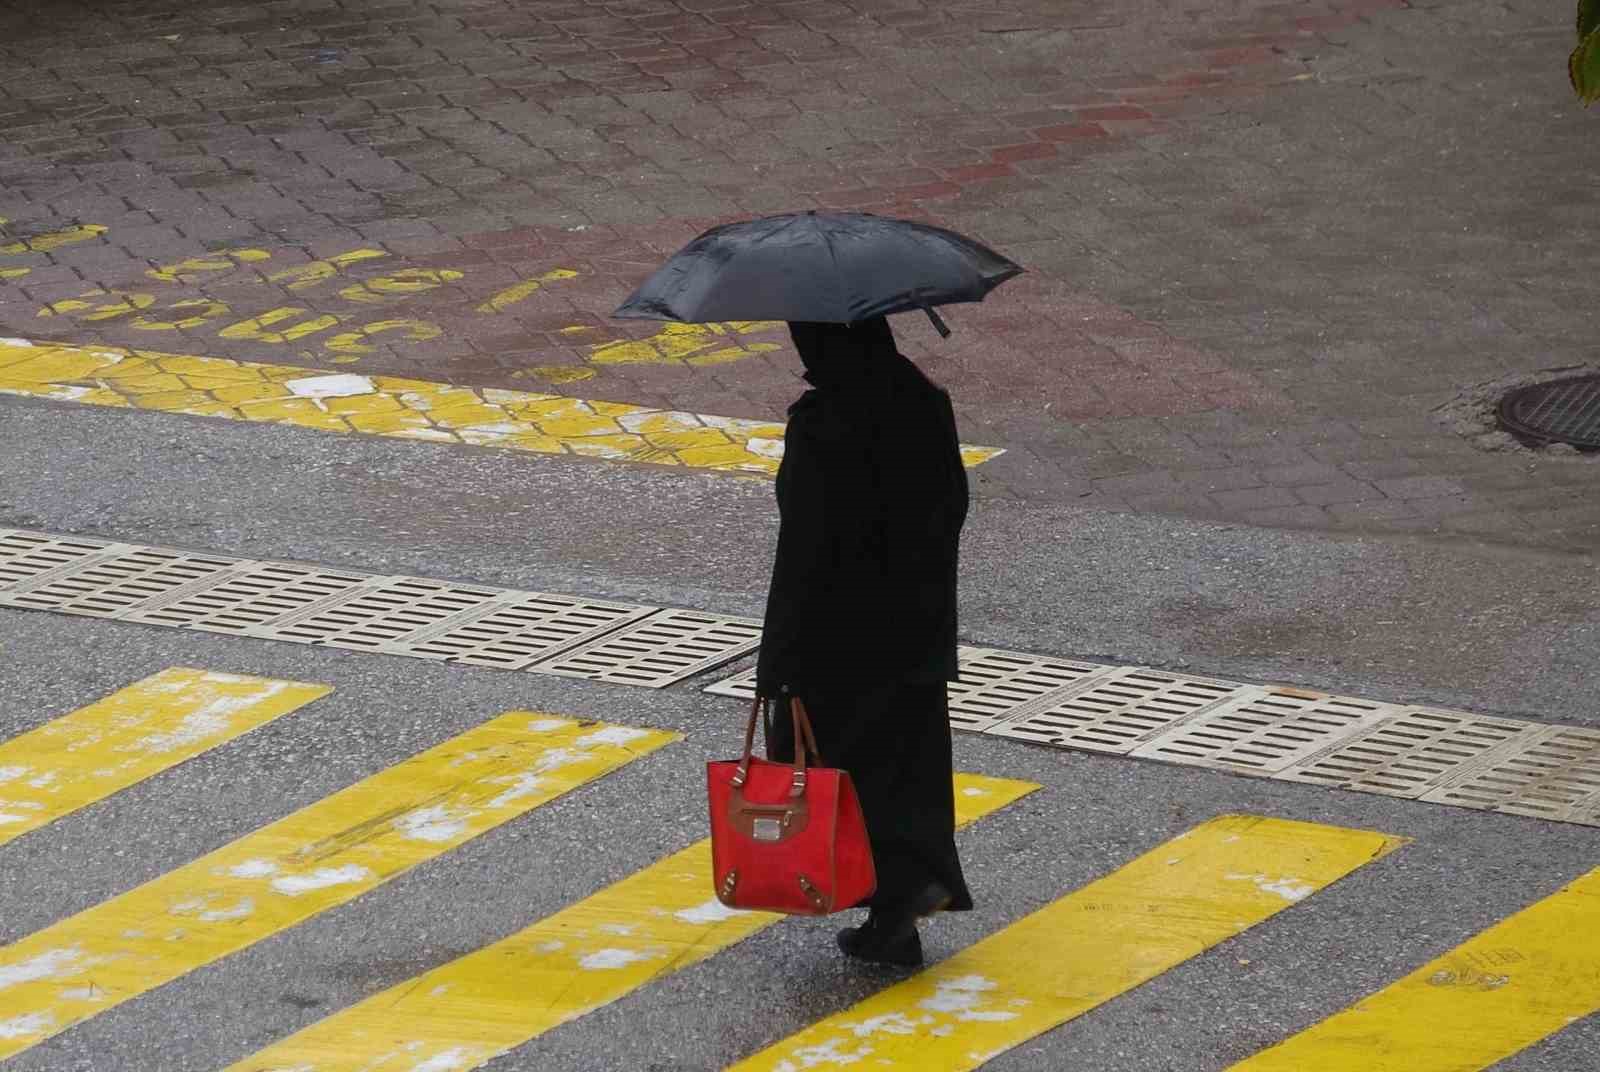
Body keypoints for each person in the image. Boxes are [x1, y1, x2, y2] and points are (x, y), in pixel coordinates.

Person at [756, 316, 971, 968]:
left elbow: (802, 555)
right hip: (914, 631)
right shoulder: (924, 402)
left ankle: (885, 903)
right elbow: (951, 506)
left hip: (836, 641)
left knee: (844, 776)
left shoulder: (823, 424)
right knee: (907, 769)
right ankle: (903, 902)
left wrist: (778, 664)